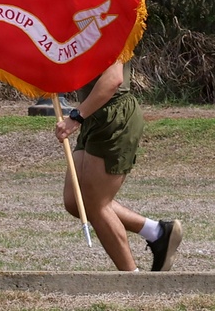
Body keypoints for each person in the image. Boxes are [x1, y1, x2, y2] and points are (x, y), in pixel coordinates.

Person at [54, 60, 183, 272]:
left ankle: (132, 278)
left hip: (114, 117)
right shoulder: (83, 30)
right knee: (74, 200)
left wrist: (76, 116)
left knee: (96, 205)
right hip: (92, 117)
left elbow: (113, 79)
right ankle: (158, 233)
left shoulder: (109, 27)